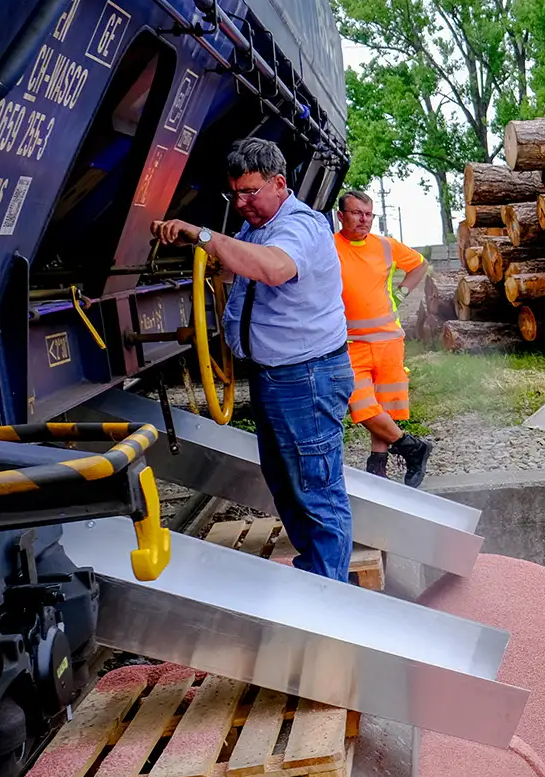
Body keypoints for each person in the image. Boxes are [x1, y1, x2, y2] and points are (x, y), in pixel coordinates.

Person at [154, 139, 354, 580]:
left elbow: (273, 269)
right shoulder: (258, 228)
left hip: (306, 377)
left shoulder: (299, 225)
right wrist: (202, 252)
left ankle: (331, 598)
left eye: (250, 192)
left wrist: (204, 235)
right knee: (288, 485)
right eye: (235, 194)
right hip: (279, 377)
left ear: (279, 183)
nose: (241, 203)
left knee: (316, 491)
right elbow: (240, 269)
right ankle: (315, 577)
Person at [335, 190, 434, 486]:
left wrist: (400, 294)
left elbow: (419, 264)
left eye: (368, 214)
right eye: (357, 213)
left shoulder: (385, 245)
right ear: (340, 216)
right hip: (350, 344)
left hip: (389, 340)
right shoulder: (329, 247)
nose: (364, 220)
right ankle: (413, 447)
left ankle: (377, 467)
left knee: (384, 408)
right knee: (362, 406)